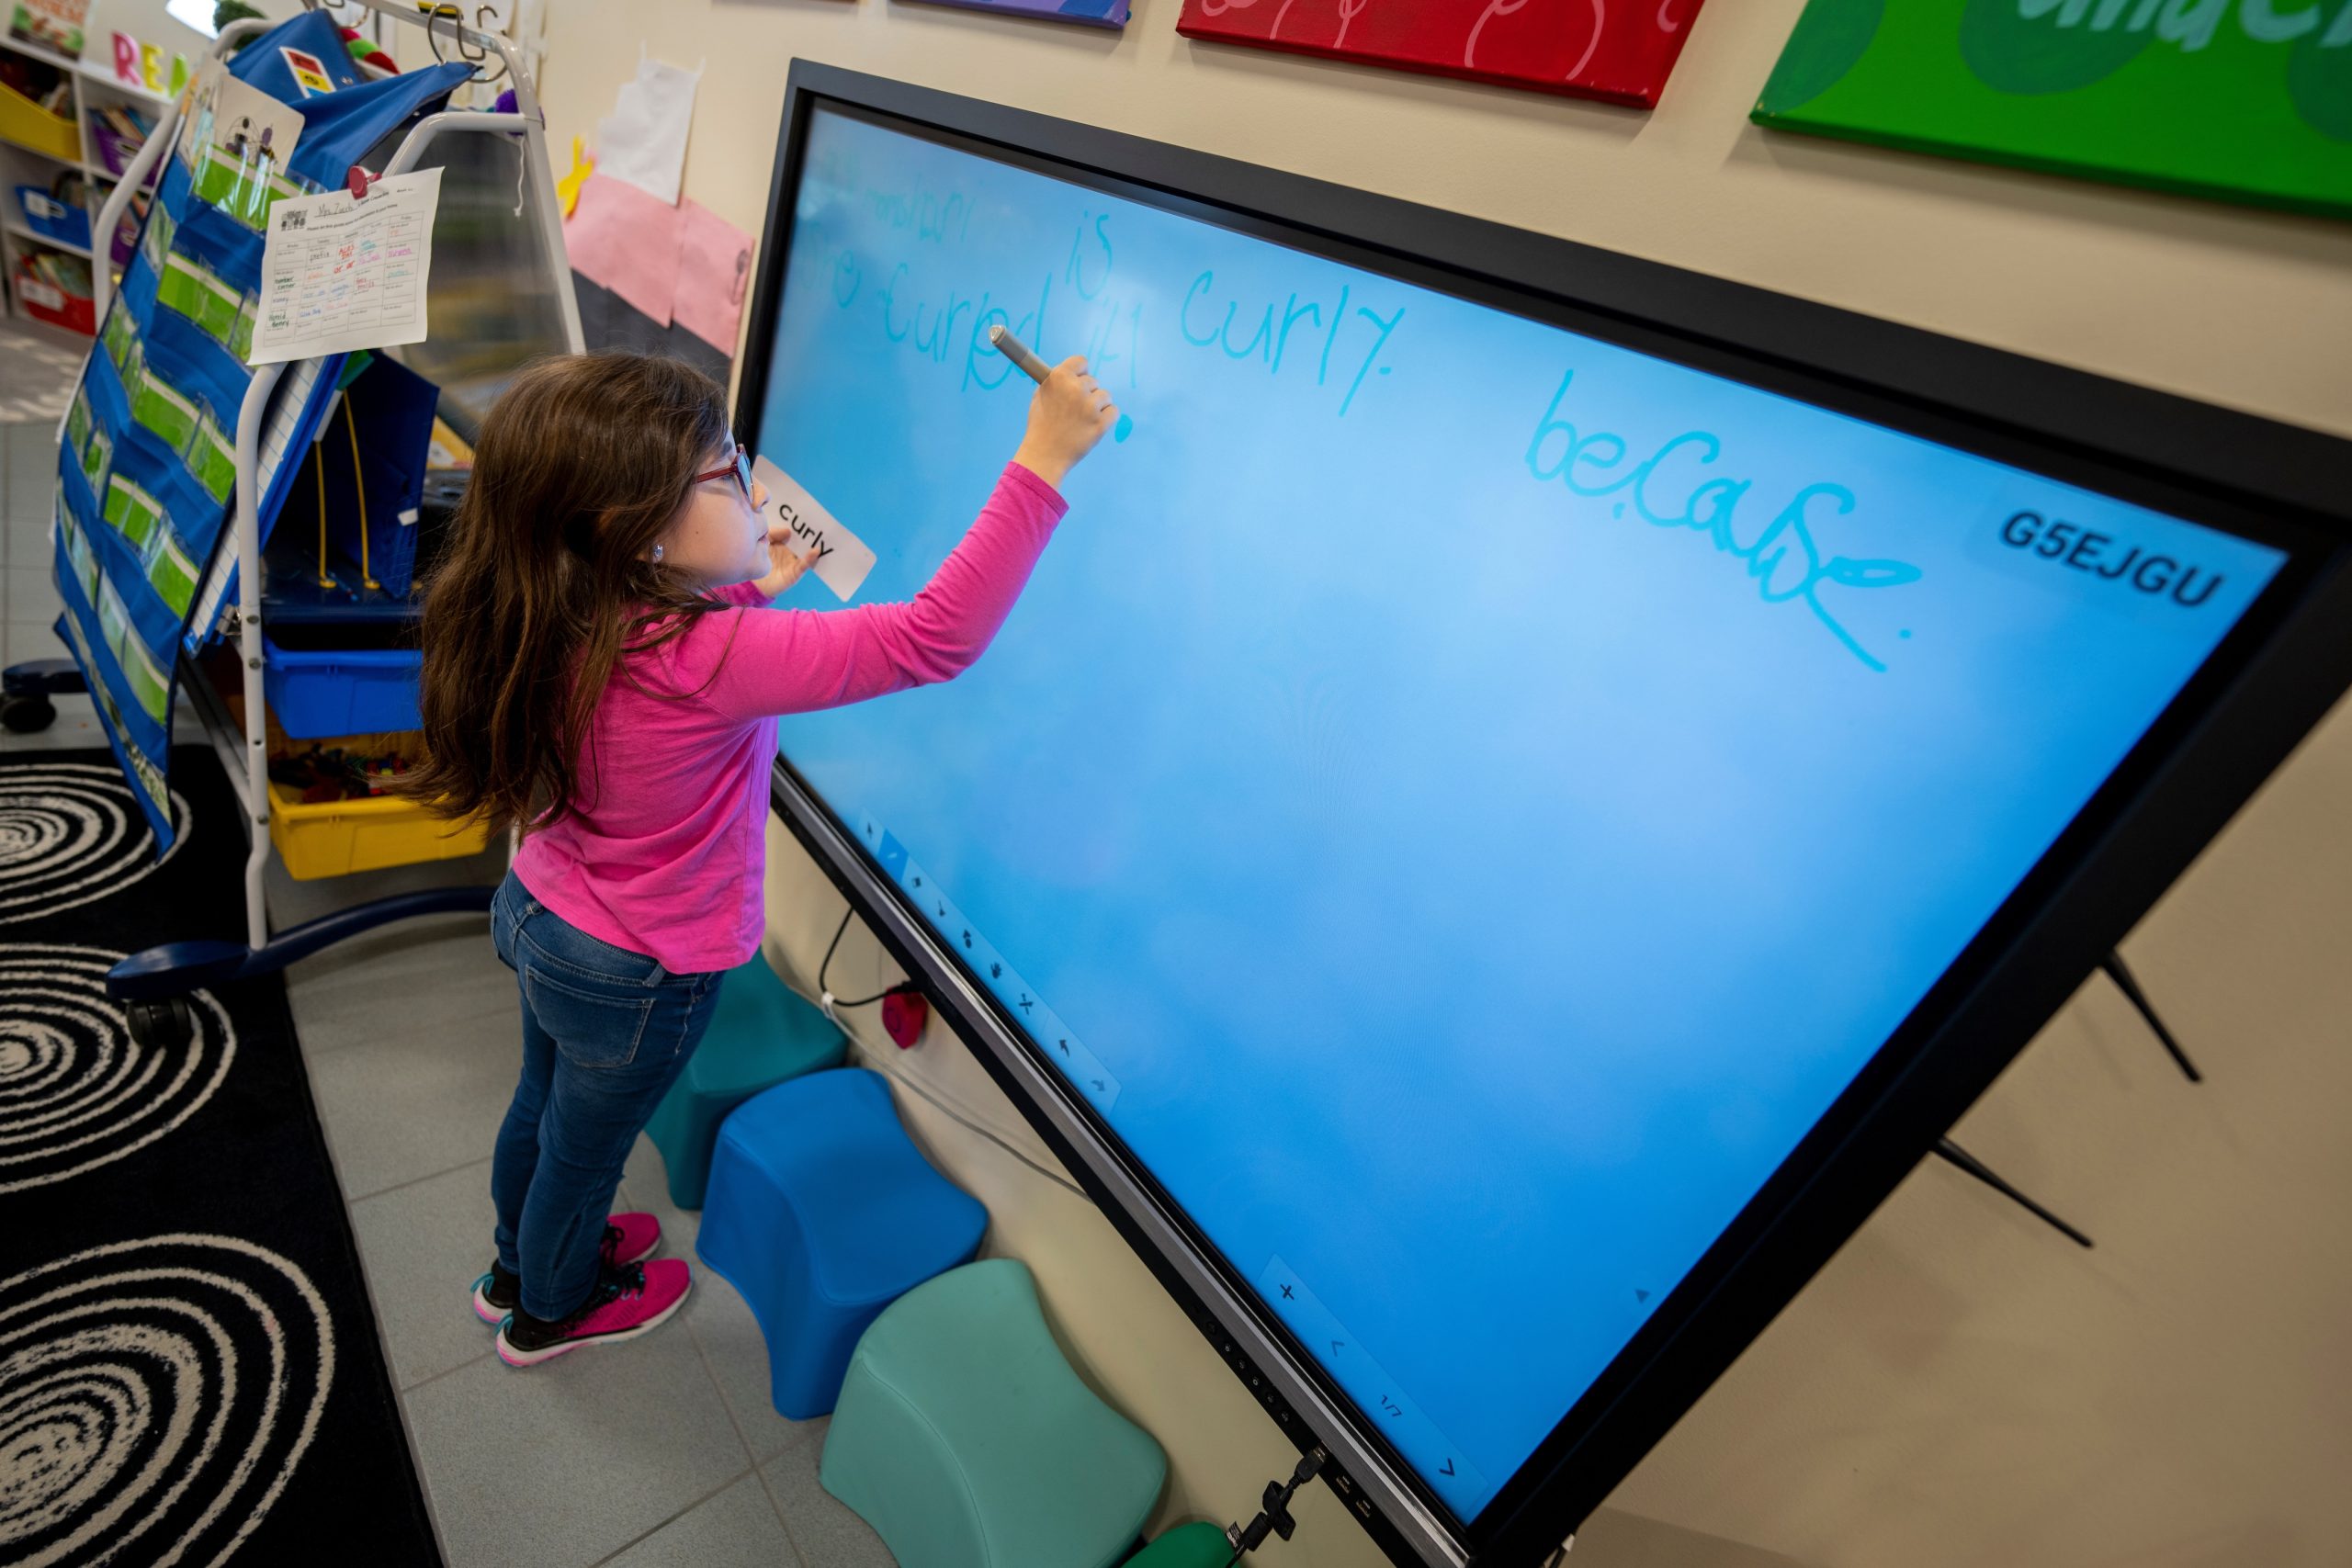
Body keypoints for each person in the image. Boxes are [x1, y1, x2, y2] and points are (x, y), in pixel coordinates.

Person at [407, 349, 1116, 1367]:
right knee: (584, 1146)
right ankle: (552, 1307)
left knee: (543, 1106)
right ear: (639, 534)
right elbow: (934, 639)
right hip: (639, 973)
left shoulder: (555, 602)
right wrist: (1043, 456)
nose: (748, 484)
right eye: (725, 470)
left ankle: (514, 1269)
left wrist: (739, 590)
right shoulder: (704, 657)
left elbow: (656, 697)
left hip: (540, 914)